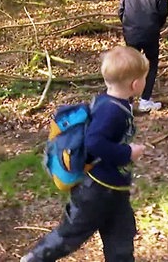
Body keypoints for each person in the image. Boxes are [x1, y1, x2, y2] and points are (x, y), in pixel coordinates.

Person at [20, 46, 148, 262]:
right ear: (135, 85)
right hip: (96, 190)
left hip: (114, 188)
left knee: (121, 235)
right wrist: (127, 152)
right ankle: (36, 258)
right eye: (144, 78)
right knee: (73, 232)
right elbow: (95, 142)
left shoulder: (113, 102)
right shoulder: (112, 111)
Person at [119, 0, 168, 112]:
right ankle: (145, 100)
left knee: (131, 67)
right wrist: (155, 27)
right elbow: (163, 13)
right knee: (151, 65)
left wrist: (127, 26)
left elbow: (121, 10)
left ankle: (127, 102)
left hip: (131, 33)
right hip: (150, 33)